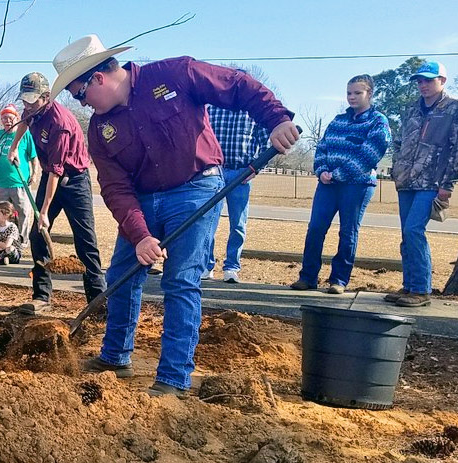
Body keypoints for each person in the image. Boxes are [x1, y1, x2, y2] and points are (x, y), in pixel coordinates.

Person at [50, 35, 298, 396]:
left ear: (98, 78)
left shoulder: (175, 74)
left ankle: (173, 378)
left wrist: (276, 119)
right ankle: (115, 357)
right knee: (120, 275)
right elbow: (115, 188)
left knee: (180, 280)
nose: (82, 104)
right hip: (142, 199)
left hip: (195, 189)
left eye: (79, 95)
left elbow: (237, 85)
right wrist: (140, 236)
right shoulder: (100, 131)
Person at [7, 72, 107, 314]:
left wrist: (44, 212)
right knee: (37, 236)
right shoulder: (32, 110)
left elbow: (56, 171)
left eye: (32, 99)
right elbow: (24, 121)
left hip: (74, 181)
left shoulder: (60, 123)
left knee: (85, 240)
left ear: (46, 96)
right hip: (50, 176)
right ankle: (42, 296)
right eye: (25, 99)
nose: (27, 104)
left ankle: (98, 301)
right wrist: (14, 147)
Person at [290, 75, 391, 295]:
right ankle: (307, 277)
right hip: (327, 185)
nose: (352, 97)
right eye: (349, 93)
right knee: (315, 229)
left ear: (370, 94)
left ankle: (339, 280)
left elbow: (370, 154)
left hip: (357, 185)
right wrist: (321, 171)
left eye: (358, 93)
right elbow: (322, 147)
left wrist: (338, 174)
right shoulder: (337, 121)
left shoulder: (378, 121)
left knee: (348, 232)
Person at [387, 61, 458, 307]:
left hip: (432, 181)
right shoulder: (411, 109)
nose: (423, 85)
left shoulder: (456, 108)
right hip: (406, 181)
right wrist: (397, 169)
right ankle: (409, 286)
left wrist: (448, 184)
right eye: (419, 81)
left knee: (414, 231)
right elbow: (399, 142)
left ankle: (421, 290)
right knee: (406, 234)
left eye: (428, 80)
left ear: (442, 80)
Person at [204, 104, 270, 283]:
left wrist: (256, 168)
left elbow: (266, 144)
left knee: (238, 224)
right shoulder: (212, 109)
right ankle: (206, 265)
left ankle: (232, 267)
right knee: (207, 222)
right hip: (214, 172)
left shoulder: (254, 112)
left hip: (241, 174)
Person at [0, 103, 40, 249]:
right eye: (4, 118)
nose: (7, 120)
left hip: (20, 182)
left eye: (10, 117)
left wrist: (34, 173)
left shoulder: (25, 135)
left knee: (23, 212)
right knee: (1, 213)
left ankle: (22, 241)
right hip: (1, 182)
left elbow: (34, 157)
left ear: (17, 118)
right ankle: (1, 241)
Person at [0, 201, 22, 265]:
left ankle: (1, 258)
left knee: (10, 249)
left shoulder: (12, 227)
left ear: (6, 215)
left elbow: (6, 245)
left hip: (10, 253)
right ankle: (0, 259)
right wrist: (0, 249)